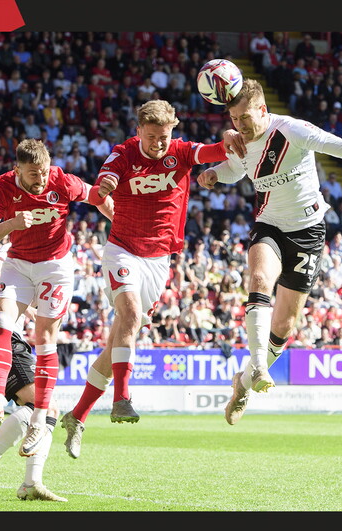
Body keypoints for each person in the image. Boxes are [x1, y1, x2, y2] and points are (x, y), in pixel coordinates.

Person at [197, 78, 342, 425]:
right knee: (259, 279)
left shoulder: (291, 130)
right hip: (269, 224)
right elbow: (235, 170)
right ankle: (258, 368)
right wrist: (214, 173)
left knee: (285, 325)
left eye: (245, 117)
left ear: (262, 109)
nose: (239, 125)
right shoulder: (240, 141)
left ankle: (242, 384)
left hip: (307, 232)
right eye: (234, 119)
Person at [59, 99, 245, 458]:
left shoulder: (181, 152)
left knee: (117, 342)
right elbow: (107, 177)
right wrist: (108, 184)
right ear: (138, 131)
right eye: (151, 137)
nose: (159, 144)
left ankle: (77, 415)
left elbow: (214, 151)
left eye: (164, 137)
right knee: (129, 314)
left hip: (160, 259)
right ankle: (122, 398)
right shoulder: (123, 153)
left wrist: (227, 138)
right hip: (123, 249)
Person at [0, 139, 115, 457]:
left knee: (45, 337)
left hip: (56, 266)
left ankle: (39, 420)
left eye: (44, 171)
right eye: (33, 173)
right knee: (1, 318)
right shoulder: (0, 187)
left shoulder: (62, 180)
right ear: (17, 170)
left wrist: (118, 221)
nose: (40, 179)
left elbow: (97, 196)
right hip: (18, 263)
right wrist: (12, 224)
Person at [0, 240, 67, 502]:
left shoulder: (41, 249)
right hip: (3, 336)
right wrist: (15, 294)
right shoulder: (18, 243)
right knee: (46, 407)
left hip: (10, 335)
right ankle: (15, 476)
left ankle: (23, 479)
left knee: (44, 409)